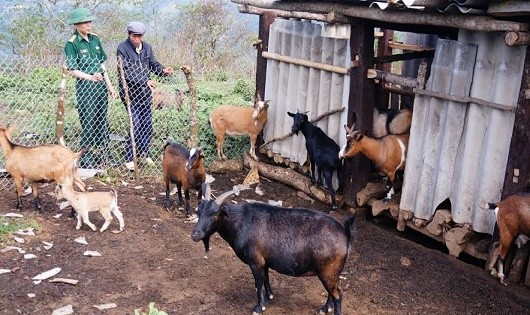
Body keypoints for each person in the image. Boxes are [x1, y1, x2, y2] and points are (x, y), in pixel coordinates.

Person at [64, 7, 116, 169]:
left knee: (102, 122)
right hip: (86, 89)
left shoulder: (95, 39)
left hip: (100, 89)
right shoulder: (72, 44)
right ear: (77, 24)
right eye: (85, 22)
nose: (89, 25)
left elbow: (101, 64)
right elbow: (72, 70)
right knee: (89, 122)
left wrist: (109, 85)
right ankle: (86, 157)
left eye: (90, 22)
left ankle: (104, 155)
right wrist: (89, 77)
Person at [117, 21, 174, 170]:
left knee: (147, 124)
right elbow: (126, 72)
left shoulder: (147, 48)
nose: (137, 39)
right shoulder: (122, 49)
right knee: (134, 124)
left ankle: (144, 153)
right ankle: (130, 157)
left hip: (145, 94)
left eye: (139, 36)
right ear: (129, 35)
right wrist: (145, 80)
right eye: (134, 36)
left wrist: (163, 70)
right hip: (130, 94)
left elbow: (153, 64)